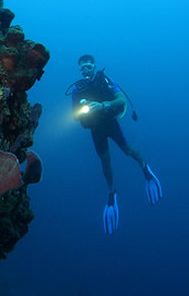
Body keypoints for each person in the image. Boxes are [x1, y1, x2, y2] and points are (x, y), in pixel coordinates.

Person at [69, 54, 162, 235]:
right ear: (79, 70)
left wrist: (103, 105)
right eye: (83, 68)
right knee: (105, 161)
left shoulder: (105, 80)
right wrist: (83, 109)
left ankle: (145, 168)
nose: (86, 70)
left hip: (110, 122)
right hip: (95, 128)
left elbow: (122, 100)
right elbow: (73, 116)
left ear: (94, 66)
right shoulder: (77, 89)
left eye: (88, 66)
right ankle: (112, 193)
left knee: (127, 149)